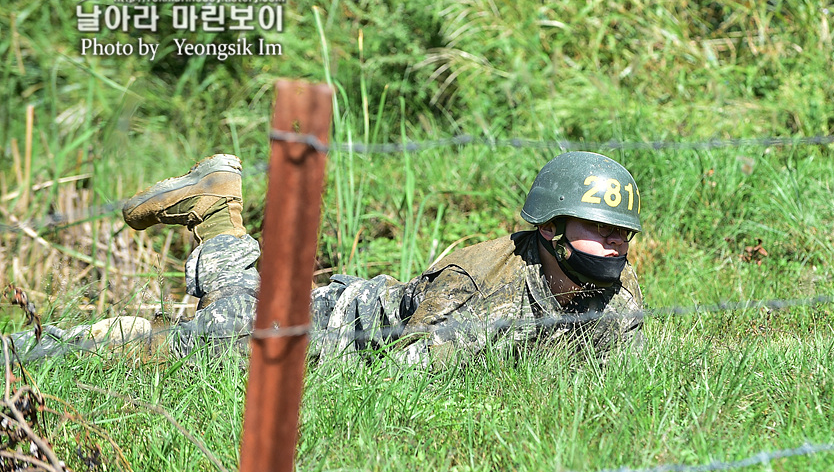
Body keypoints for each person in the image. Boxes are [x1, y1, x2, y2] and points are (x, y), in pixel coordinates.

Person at [8, 152, 646, 366]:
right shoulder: (481, 291)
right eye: (598, 229)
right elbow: (407, 380)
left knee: (230, 303)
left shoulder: (617, 302)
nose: (615, 245)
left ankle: (216, 208)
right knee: (191, 343)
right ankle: (35, 349)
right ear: (554, 230)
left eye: (622, 232)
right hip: (331, 326)